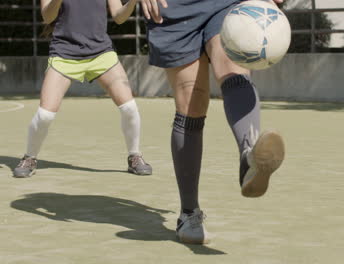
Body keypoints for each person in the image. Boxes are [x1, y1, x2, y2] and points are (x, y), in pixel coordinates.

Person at [143, 0, 286, 244]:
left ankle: (250, 156)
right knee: (191, 103)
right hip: (172, 9)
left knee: (233, 67)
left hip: (223, 4)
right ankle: (189, 213)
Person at [13, 0, 154, 178]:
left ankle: (135, 156)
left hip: (101, 53)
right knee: (45, 115)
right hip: (64, 54)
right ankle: (30, 157)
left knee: (129, 108)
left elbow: (119, 17)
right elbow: (47, 17)